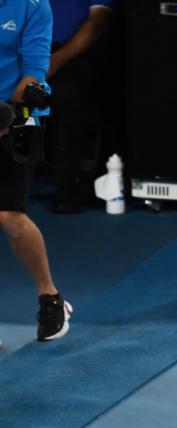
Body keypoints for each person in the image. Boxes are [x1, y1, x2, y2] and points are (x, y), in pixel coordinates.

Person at [0, 0, 73, 342]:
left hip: (17, 120)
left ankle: (50, 297)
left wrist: (10, 115)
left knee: (9, 217)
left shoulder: (33, 6)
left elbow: (34, 72)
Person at [45, 0, 116, 213]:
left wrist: (55, 61)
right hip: (25, 50)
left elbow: (98, 22)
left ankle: (66, 186)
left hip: (71, 55)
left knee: (65, 94)